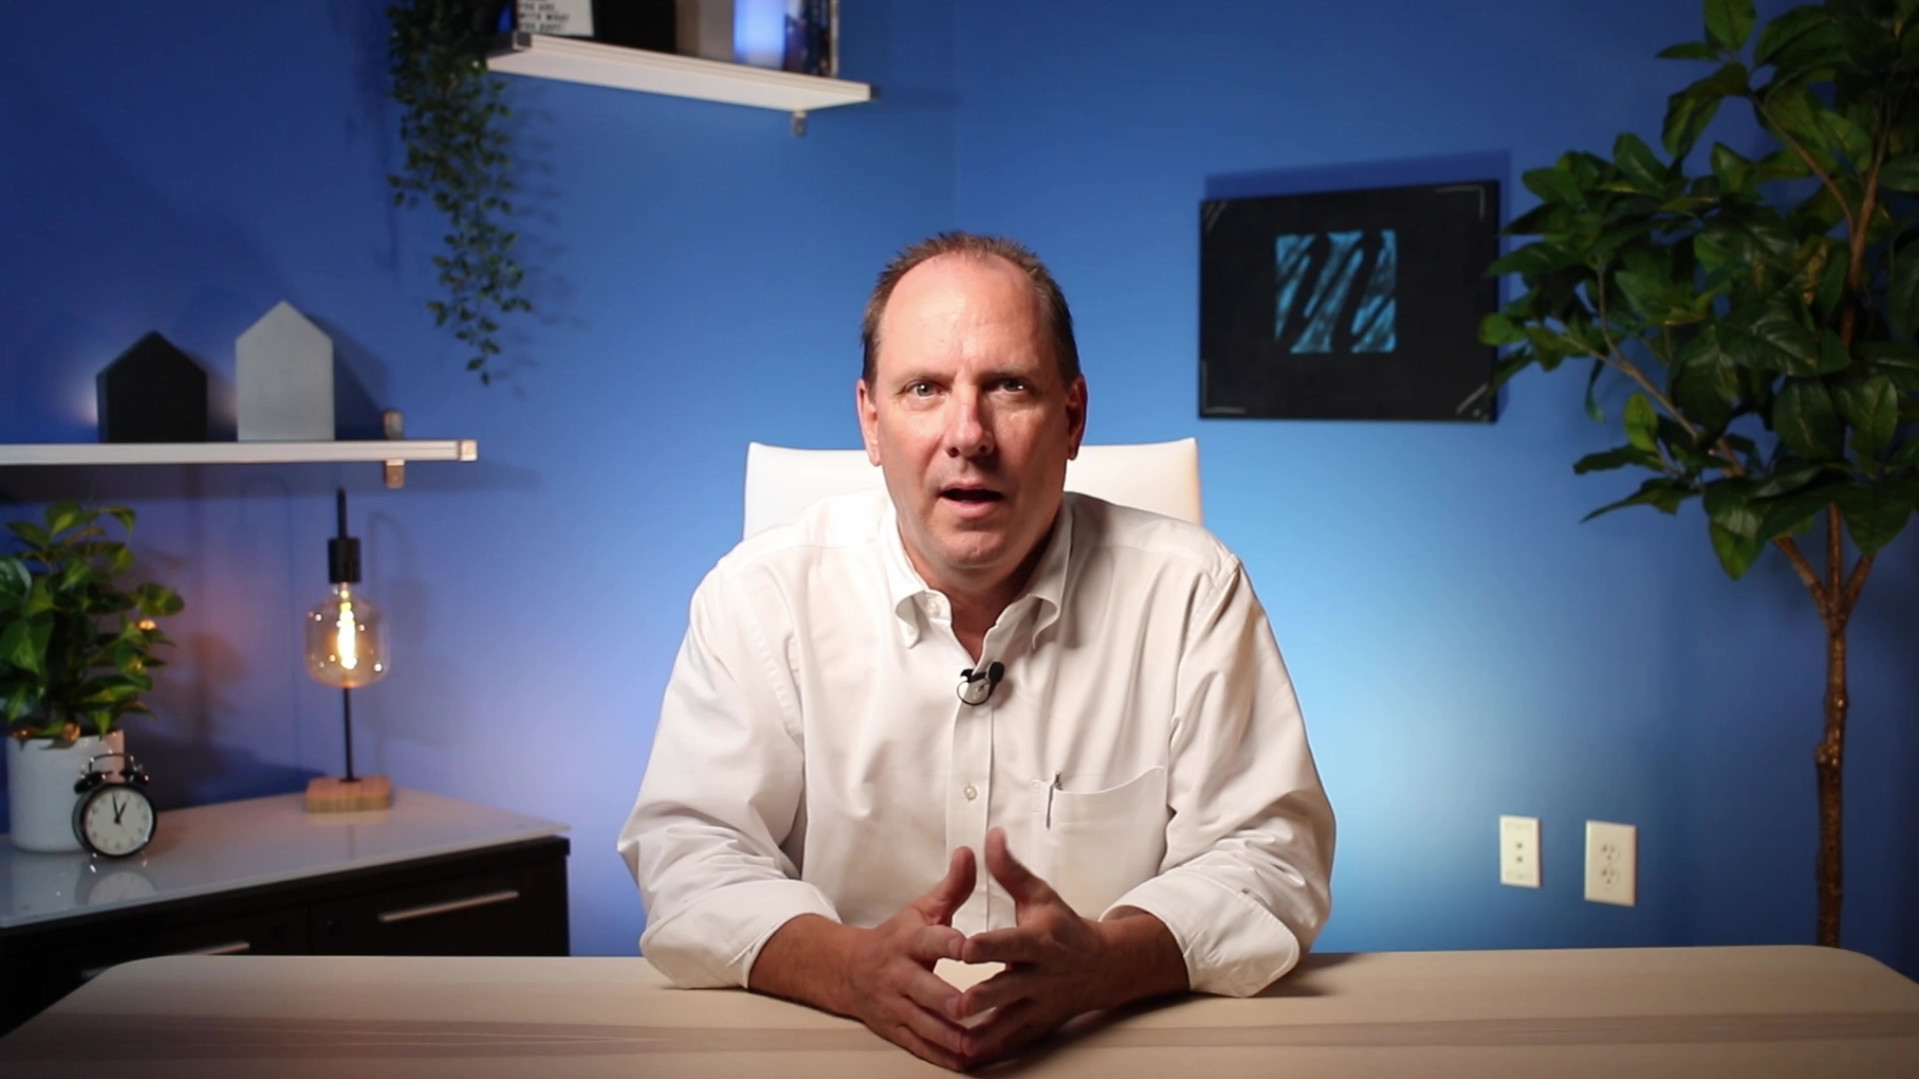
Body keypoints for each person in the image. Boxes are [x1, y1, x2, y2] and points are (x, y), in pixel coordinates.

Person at [619, 232, 1334, 1071]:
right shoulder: (758, 596)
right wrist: (847, 969)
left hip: (1110, 1050)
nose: (969, 434)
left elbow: (1268, 852)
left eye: (1008, 386)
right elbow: (691, 854)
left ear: (1071, 416)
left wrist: (1107, 963)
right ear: (871, 419)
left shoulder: (1191, 590)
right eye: (924, 388)